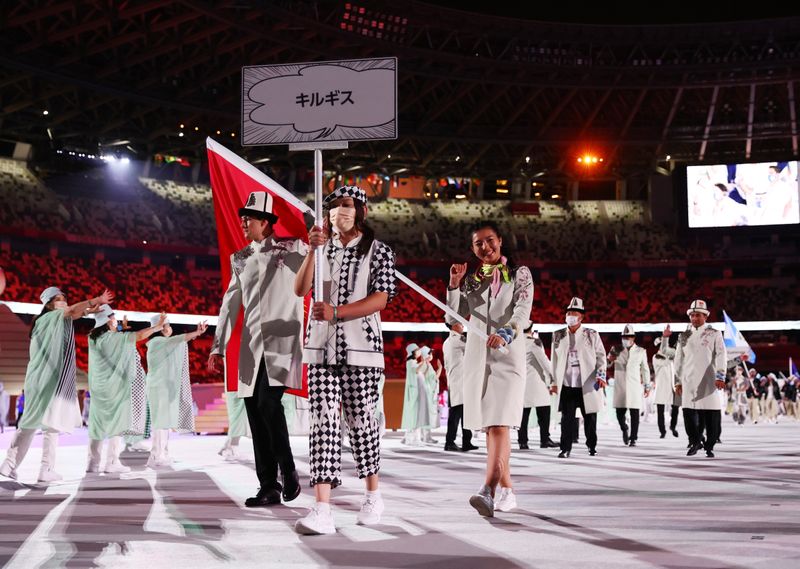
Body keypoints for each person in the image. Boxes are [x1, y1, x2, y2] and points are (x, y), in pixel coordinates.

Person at [294, 185, 397, 535]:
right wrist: (312, 248)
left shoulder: (379, 251)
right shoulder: (321, 249)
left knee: (362, 423)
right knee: (322, 423)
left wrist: (338, 312)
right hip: (320, 349)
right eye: (335, 206)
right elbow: (299, 288)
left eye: (347, 205)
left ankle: (372, 495)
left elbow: (382, 298)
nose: (341, 211)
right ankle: (322, 507)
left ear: (361, 211)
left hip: (362, 350)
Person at [208, 191, 307, 508]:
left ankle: (288, 470)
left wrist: (315, 230)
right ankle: (268, 485)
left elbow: (317, 265)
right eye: (242, 218)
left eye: (248, 218)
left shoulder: (292, 249)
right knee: (254, 411)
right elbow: (229, 304)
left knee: (268, 403)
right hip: (251, 347)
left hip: (282, 339)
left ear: (265, 222)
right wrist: (218, 346)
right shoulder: (239, 258)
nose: (242, 223)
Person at [447, 220, 533, 517]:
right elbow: (454, 319)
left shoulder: (519, 274)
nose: (485, 247)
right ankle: (508, 490)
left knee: (499, 424)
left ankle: (488, 489)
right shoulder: (472, 279)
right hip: (477, 358)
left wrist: (508, 332)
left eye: (490, 240)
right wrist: (454, 287)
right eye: (478, 244)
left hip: (507, 356)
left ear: (501, 240)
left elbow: (523, 309)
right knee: (490, 429)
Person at [1, 287, 112, 482]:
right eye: (59, 299)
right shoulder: (53, 317)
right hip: (49, 379)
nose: (63, 302)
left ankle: (9, 464)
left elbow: (72, 313)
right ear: (49, 304)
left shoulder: (43, 321)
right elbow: (70, 312)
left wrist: (87, 311)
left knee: (29, 422)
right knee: (51, 424)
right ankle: (46, 469)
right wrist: (97, 299)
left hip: (36, 379)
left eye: (64, 298)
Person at [87, 305, 165, 474]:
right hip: (114, 388)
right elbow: (138, 336)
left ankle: (92, 464)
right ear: (108, 321)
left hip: (98, 388)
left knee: (97, 426)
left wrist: (121, 327)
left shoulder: (93, 338)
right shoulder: (112, 339)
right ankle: (112, 462)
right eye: (113, 318)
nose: (115, 320)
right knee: (116, 424)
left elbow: (116, 333)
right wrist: (157, 327)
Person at [145, 315, 208, 467]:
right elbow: (180, 339)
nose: (170, 328)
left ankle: (163, 453)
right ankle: (155, 455)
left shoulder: (161, 343)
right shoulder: (157, 342)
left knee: (164, 422)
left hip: (163, 386)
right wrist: (197, 333)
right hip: (160, 387)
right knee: (160, 422)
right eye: (167, 325)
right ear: (160, 328)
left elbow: (177, 341)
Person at [551, 297, 607, 459]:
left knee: (590, 417)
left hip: (587, 383)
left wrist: (601, 375)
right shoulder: (558, 335)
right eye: (568, 313)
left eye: (574, 313)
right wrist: (554, 382)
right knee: (567, 419)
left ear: (581, 317)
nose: (570, 315)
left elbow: (601, 356)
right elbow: (554, 361)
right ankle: (565, 448)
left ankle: (591, 446)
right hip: (567, 382)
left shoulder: (591, 335)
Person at [674, 299, 727, 458]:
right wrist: (677, 381)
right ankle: (695, 441)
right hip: (688, 380)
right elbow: (678, 360)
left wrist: (720, 375)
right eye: (692, 315)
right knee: (688, 413)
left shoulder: (714, 334)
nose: (694, 318)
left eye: (698, 315)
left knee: (712, 414)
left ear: (705, 317)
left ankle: (710, 445)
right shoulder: (683, 336)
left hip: (709, 379)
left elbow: (721, 354)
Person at [610, 324, 650, 447]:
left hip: (634, 385)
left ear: (633, 338)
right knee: (619, 412)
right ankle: (624, 428)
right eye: (624, 337)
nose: (626, 339)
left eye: (629, 337)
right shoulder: (615, 349)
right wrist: (610, 360)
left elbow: (645, 369)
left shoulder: (641, 351)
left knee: (634, 413)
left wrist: (647, 385)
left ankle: (633, 438)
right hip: (620, 384)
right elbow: (606, 365)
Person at [520, 324, 557, 450]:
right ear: (531, 329)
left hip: (522, 382)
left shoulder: (516, 342)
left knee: (524, 414)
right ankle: (545, 439)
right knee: (544, 412)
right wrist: (553, 379)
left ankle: (522, 441)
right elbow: (544, 362)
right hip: (536, 383)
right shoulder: (533, 342)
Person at [442, 322, 477, 452]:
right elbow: (473, 347)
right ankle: (450, 442)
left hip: (457, 381)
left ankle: (466, 441)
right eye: (460, 324)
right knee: (456, 414)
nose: (463, 326)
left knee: (464, 413)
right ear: (453, 326)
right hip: (460, 382)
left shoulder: (447, 341)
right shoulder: (457, 340)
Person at [653, 331, 680, 438]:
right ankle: (662, 431)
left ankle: (673, 426)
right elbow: (665, 362)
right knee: (660, 411)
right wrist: (673, 357)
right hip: (662, 387)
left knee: (676, 407)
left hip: (672, 386)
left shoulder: (671, 355)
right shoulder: (656, 357)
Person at [400, 343, 427, 446]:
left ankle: (410, 437)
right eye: (417, 350)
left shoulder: (413, 362)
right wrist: (423, 361)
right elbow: (416, 369)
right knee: (414, 416)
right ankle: (413, 439)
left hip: (416, 392)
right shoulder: (411, 362)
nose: (419, 352)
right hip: (414, 393)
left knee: (415, 416)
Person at [420, 346, 442, 444]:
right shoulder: (424, 365)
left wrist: (439, 368)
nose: (432, 355)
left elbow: (433, 378)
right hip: (427, 394)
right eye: (430, 353)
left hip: (428, 393)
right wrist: (440, 368)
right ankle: (426, 437)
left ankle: (424, 436)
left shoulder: (427, 365)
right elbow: (431, 379)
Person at [219, 391, 250, 460]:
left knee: (238, 417)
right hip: (235, 387)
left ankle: (229, 446)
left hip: (240, 387)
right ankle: (230, 446)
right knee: (236, 417)